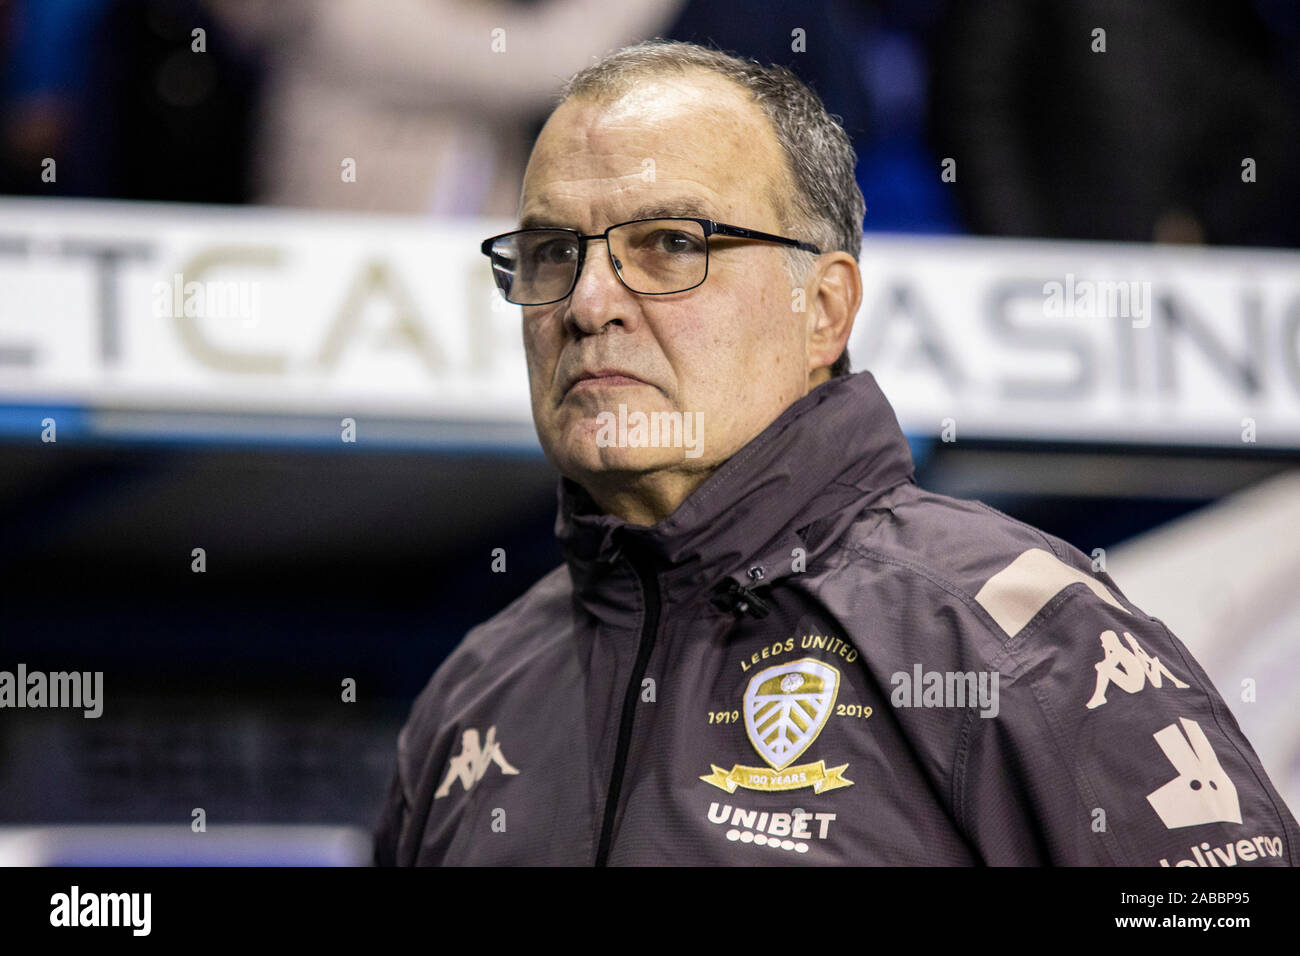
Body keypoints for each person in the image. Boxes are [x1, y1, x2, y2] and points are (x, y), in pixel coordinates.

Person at [373, 39, 1299, 865]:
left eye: (667, 245)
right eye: (548, 253)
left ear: (823, 310)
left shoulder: (1020, 641)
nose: (585, 304)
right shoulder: (473, 694)